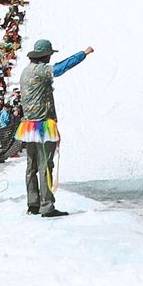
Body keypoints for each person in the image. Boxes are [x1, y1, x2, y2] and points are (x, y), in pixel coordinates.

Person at [16, 39, 92, 217]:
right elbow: (60, 68)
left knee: (31, 166)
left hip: (28, 126)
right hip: (42, 125)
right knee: (45, 166)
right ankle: (47, 206)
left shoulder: (26, 71)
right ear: (46, 55)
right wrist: (84, 54)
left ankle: (32, 204)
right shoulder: (42, 70)